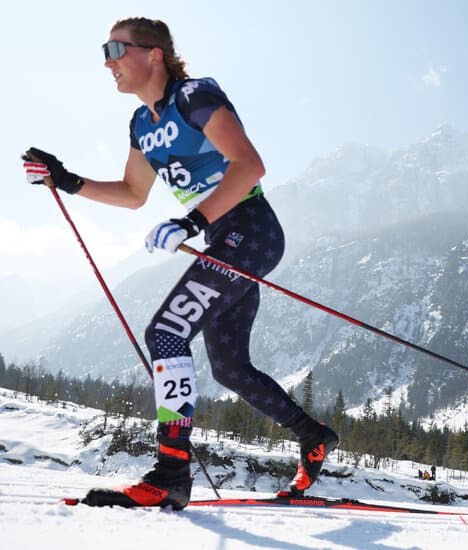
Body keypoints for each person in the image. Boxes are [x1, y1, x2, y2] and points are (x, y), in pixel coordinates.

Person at [21, 17, 337, 509]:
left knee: (166, 333)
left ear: (154, 54)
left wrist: (191, 221)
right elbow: (132, 194)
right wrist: (67, 180)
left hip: (249, 229)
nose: (107, 61)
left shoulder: (194, 96)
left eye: (116, 49)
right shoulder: (141, 124)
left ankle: (171, 472)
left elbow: (249, 164)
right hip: (222, 237)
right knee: (231, 368)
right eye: (104, 52)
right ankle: (313, 434)